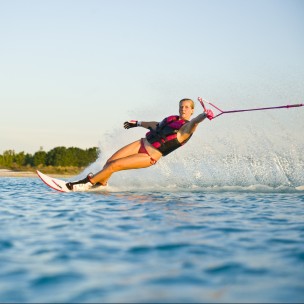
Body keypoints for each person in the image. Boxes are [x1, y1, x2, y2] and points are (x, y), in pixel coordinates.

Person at [66, 98, 214, 191]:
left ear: (192, 110)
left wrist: (204, 115)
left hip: (149, 155)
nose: (183, 109)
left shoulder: (187, 129)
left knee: (114, 166)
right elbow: (155, 125)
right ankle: (101, 183)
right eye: (181, 106)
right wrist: (137, 123)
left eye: (187, 107)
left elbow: (195, 122)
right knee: (109, 162)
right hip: (141, 143)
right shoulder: (171, 120)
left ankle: (85, 183)